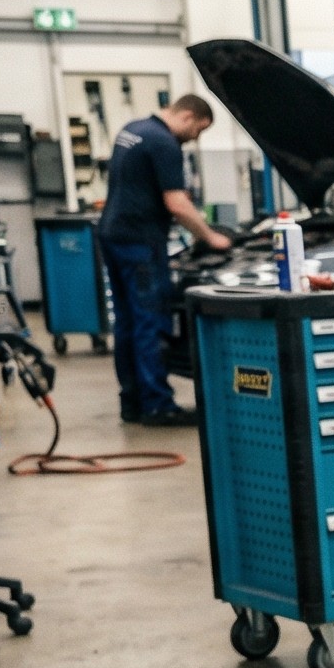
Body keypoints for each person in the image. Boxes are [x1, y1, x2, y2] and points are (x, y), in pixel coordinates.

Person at [96, 93, 231, 427]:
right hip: (140, 243)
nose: (194, 139)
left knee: (127, 323)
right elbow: (177, 204)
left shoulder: (133, 129)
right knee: (149, 322)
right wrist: (210, 237)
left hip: (113, 235)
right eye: (198, 130)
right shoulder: (163, 142)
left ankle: (132, 402)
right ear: (188, 117)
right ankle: (157, 406)